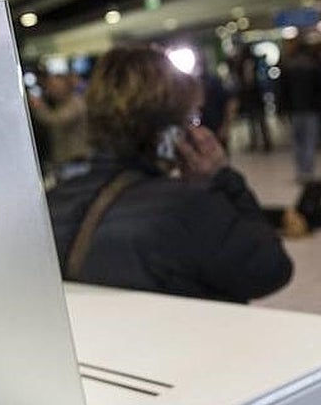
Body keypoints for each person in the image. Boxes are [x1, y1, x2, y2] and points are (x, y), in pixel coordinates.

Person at [46, 45, 293, 303]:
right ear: (169, 133)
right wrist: (224, 179)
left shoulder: (52, 204)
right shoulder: (187, 207)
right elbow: (271, 269)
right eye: (191, 118)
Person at [276, 37, 321, 181]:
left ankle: (300, 170)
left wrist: (281, 109)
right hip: (311, 109)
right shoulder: (314, 66)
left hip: (295, 109)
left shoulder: (288, 66)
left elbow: (283, 91)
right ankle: (308, 170)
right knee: (309, 141)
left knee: (298, 141)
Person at [28, 71, 91, 174]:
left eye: (54, 86)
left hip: (76, 163)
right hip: (62, 163)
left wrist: (38, 107)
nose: (50, 90)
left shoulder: (75, 103)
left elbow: (56, 121)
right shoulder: (58, 105)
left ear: (65, 86)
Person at [234, 46, 273, 152]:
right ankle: (261, 142)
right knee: (256, 121)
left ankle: (262, 142)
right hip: (253, 95)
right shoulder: (254, 63)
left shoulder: (246, 64)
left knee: (257, 120)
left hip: (252, 95)